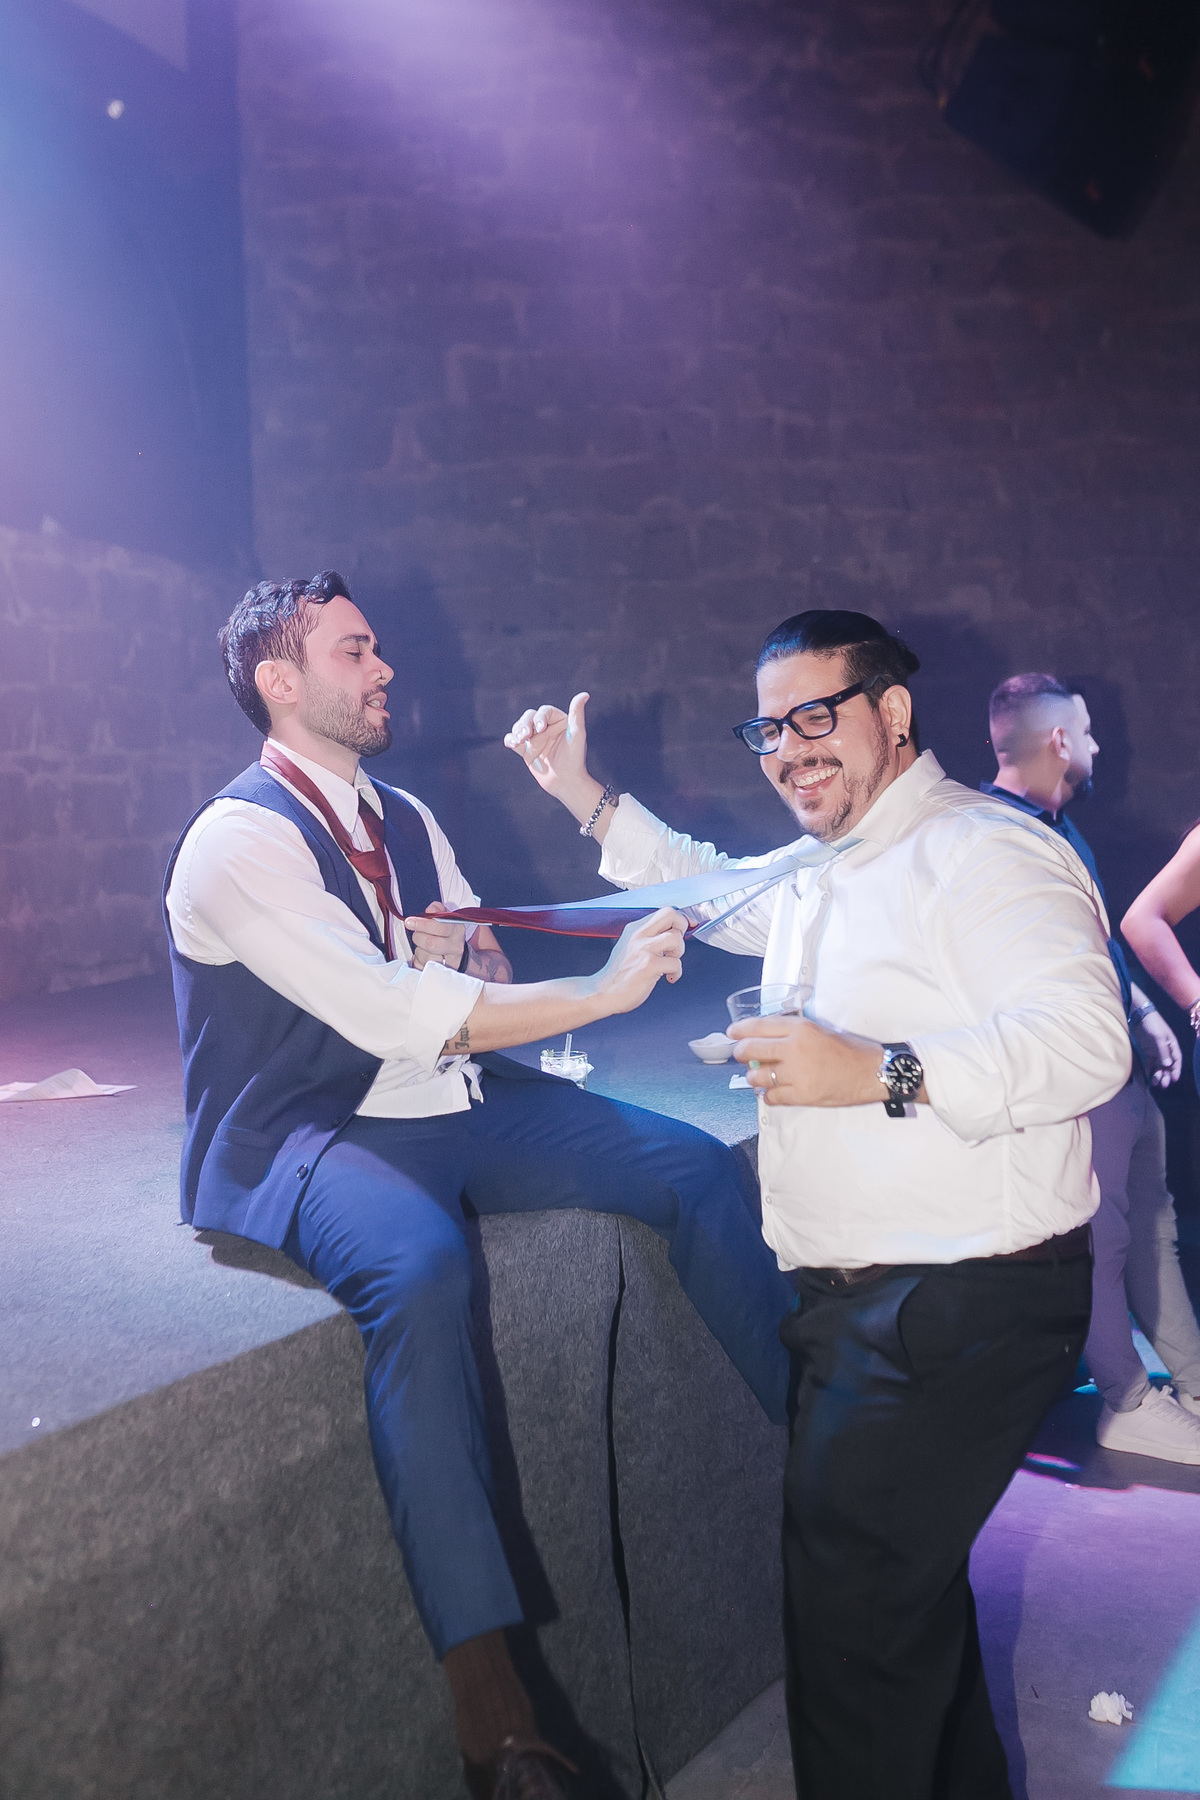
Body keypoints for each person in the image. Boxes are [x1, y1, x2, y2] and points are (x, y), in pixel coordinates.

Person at [163, 572, 797, 1800]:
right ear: (280, 683)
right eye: (355, 651)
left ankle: (830, 1466)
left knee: (687, 1165)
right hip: (314, 1127)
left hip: (452, 1103)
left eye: (378, 648)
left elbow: (473, 970)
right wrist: (600, 991)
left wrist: (475, 951)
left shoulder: (402, 813)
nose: (385, 668)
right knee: (420, 1271)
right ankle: (495, 1716)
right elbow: (394, 1011)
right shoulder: (236, 840)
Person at [506, 609, 1130, 1800]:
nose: (788, 749)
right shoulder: (820, 862)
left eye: (814, 717)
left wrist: (877, 1070)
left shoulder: (983, 849)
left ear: (893, 712)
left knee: (855, 1653)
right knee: (903, 1624)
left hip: (960, 1300)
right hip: (872, 1304)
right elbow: (707, 886)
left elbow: (1087, 1041)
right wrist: (585, 797)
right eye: (768, 730)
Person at [982, 674, 1200, 1460]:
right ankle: (1126, 1400)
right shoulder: (991, 836)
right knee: (1104, 1240)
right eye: (1088, 732)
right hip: (1075, 1079)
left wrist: (1144, 1014)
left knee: (1152, 1227)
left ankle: (1193, 1382)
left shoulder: (1062, 830)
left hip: (1118, 1070)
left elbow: (1097, 941)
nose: (1098, 746)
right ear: (1060, 740)